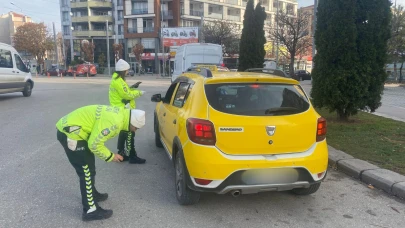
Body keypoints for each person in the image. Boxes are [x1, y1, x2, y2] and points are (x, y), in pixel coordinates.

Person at [56, 105, 146, 221]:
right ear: (132, 123)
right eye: (136, 128)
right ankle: (90, 210)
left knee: (90, 168)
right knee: (86, 172)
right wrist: (111, 156)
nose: (135, 131)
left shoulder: (121, 114)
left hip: (74, 129)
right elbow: (94, 144)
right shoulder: (115, 122)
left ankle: (91, 194)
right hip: (71, 134)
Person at [109, 59, 146, 164]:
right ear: (123, 70)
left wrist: (133, 87)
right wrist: (139, 93)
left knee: (123, 132)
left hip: (120, 109)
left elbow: (124, 91)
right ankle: (132, 156)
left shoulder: (116, 80)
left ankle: (121, 154)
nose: (127, 72)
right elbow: (127, 95)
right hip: (124, 110)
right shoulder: (119, 81)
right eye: (126, 70)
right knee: (130, 132)